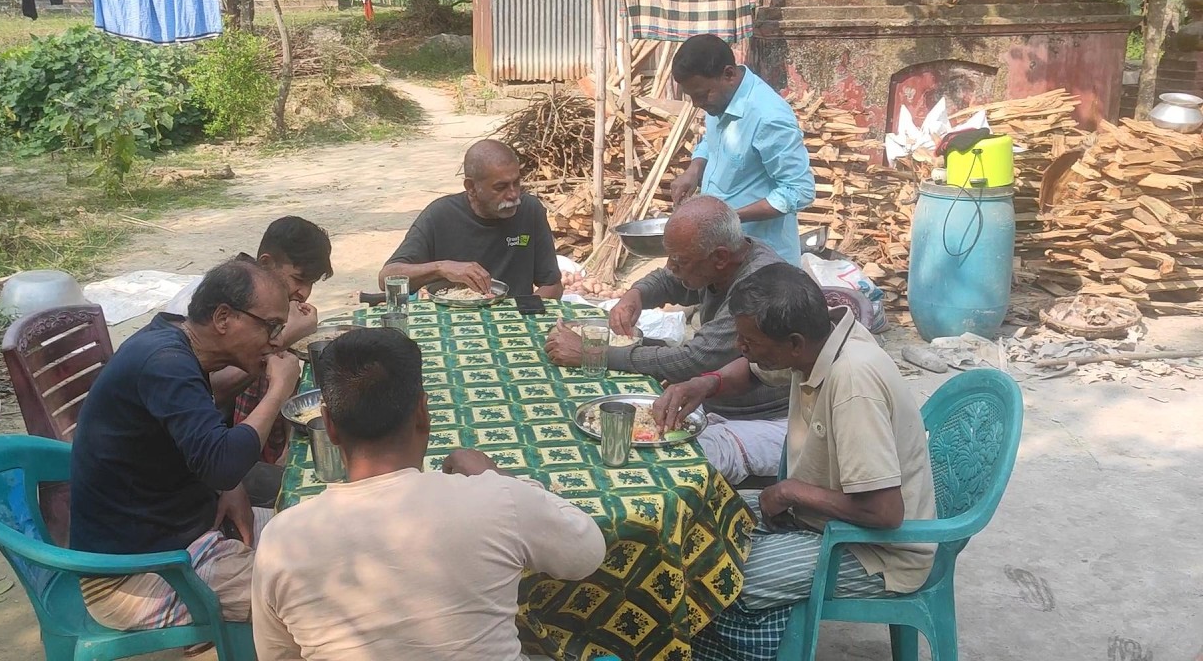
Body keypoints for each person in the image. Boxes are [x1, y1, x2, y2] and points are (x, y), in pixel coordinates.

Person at [252, 329, 606, 661]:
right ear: (424, 412)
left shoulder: (281, 540)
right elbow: (587, 552)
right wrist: (493, 473)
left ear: (328, 425)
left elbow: (278, 654)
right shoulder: (498, 499)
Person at [651, 263, 936, 661]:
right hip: (823, 519)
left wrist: (789, 490)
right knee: (688, 521)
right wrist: (705, 383)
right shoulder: (823, 342)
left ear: (795, 344)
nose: (741, 346)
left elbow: (884, 511)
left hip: (877, 550)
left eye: (749, 339)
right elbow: (751, 372)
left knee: (722, 578)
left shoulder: (853, 383)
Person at [71, 259, 303, 631]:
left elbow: (206, 451)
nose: (277, 340)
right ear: (224, 318)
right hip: (136, 577)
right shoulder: (163, 362)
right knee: (314, 590)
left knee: (320, 535)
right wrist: (279, 391)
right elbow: (223, 464)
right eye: (271, 326)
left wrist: (226, 485)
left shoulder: (172, 342)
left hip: (189, 535)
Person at [545, 196, 789, 485]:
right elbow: (669, 280)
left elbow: (692, 360)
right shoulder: (723, 261)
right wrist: (635, 295)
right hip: (714, 395)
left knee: (659, 465)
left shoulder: (756, 288)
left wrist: (593, 354)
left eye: (679, 260)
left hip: (764, 417)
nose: (671, 266)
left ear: (720, 258)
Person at [166, 216, 333, 505]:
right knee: (318, 492)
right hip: (186, 478)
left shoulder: (252, 299)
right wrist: (282, 358)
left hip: (212, 454)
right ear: (222, 317)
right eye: (298, 278)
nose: (305, 292)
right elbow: (210, 394)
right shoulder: (181, 342)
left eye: (311, 282)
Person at [669, 34, 815, 265]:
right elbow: (712, 141)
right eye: (692, 97)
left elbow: (799, 190)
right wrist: (693, 171)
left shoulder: (768, 117)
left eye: (701, 95)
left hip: (761, 260)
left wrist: (729, 219)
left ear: (729, 74)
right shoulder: (720, 102)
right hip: (721, 254)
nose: (697, 104)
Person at [379, 139, 564, 298]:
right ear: (471, 187)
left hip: (514, 322)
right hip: (452, 322)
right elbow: (386, 278)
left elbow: (553, 285)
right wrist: (441, 268)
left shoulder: (529, 211)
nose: (513, 194)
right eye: (501, 187)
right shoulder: (441, 215)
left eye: (516, 183)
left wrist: (517, 312)